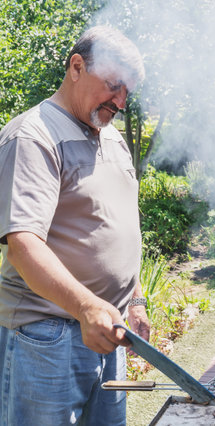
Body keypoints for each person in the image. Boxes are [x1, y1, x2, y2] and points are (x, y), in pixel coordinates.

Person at [0, 25, 150, 426]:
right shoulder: (33, 137)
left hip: (106, 329)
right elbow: (23, 244)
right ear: (77, 66)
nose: (120, 102)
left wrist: (134, 299)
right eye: (113, 85)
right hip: (47, 337)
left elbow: (119, 224)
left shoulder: (111, 137)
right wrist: (87, 307)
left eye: (127, 93)